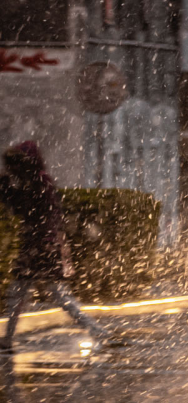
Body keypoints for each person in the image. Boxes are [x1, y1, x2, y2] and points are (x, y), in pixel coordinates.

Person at [0, 141, 113, 352]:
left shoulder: (39, 183)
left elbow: (36, 213)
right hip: (42, 245)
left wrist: (44, 243)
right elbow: (24, 210)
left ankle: (7, 339)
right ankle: (96, 330)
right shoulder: (35, 182)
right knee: (46, 294)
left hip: (40, 246)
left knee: (32, 293)